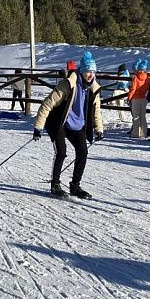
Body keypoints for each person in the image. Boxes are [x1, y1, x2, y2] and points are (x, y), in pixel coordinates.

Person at [33, 51, 103, 199]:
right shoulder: (68, 84)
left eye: (92, 71)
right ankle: (55, 185)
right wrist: (38, 127)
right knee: (61, 152)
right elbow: (47, 104)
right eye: (87, 71)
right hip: (60, 123)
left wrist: (99, 129)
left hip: (77, 125)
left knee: (83, 152)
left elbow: (96, 110)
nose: (90, 74)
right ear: (81, 71)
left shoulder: (94, 89)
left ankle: (75, 186)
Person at [127, 59, 150, 138]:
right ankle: (144, 133)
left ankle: (135, 133)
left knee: (136, 117)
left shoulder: (136, 77)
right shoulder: (148, 78)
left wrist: (129, 98)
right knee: (143, 117)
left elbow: (133, 89)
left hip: (135, 98)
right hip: (144, 98)